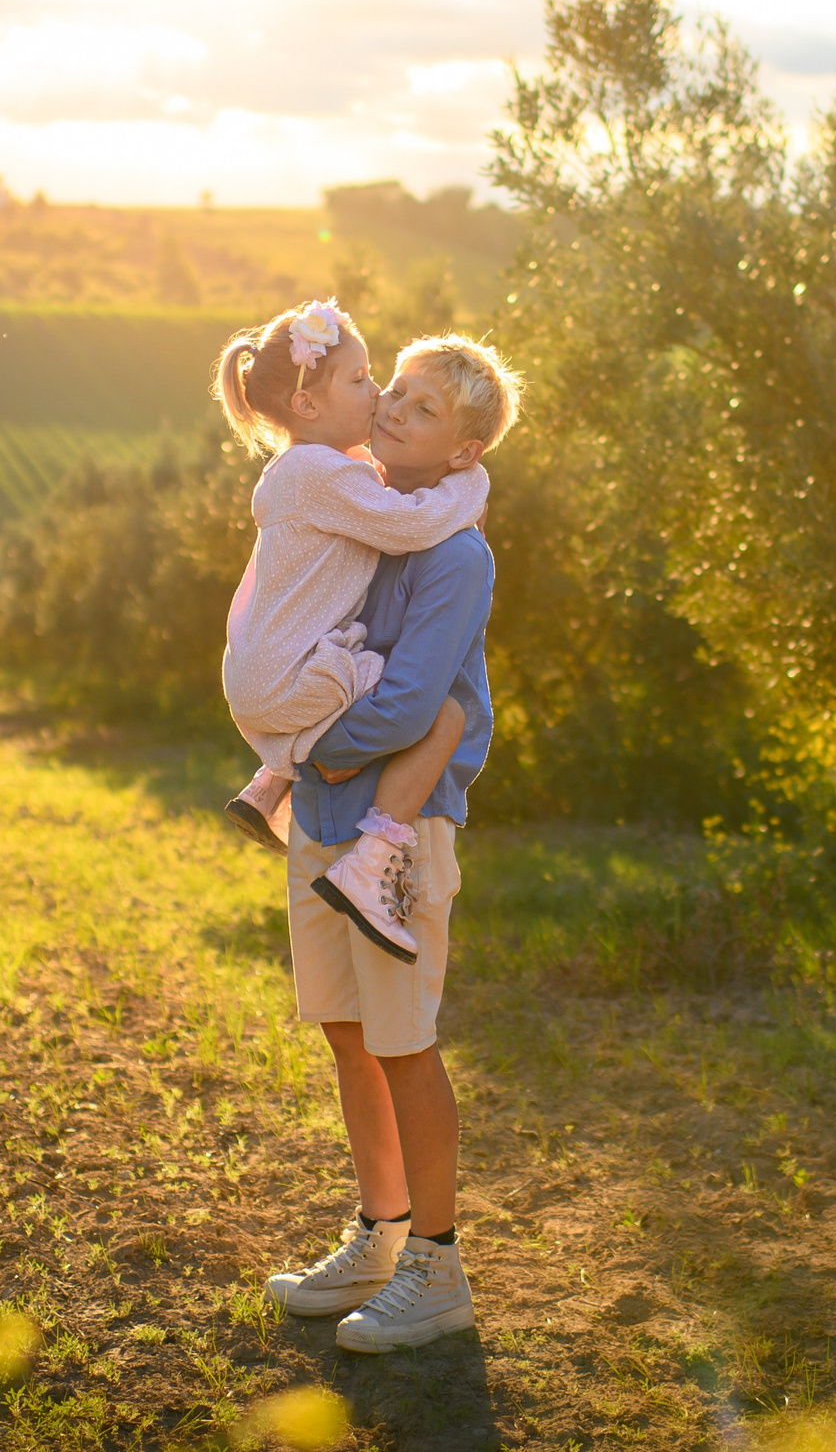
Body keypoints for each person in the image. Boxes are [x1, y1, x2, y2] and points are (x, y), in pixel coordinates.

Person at [260, 333, 520, 1354]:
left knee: (405, 1043)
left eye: (420, 408)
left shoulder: (457, 552)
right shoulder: (368, 514)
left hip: (395, 828)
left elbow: (416, 699)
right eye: (395, 392)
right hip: (322, 823)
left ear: (462, 455)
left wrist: (313, 745)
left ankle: (438, 1263)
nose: (394, 409)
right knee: (345, 1029)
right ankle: (378, 1233)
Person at [212, 300, 486, 960]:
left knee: (356, 665)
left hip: (262, 671)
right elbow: (412, 522)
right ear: (308, 406)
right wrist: (469, 484)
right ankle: (298, 782)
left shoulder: (309, 467)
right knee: (408, 695)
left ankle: (269, 778)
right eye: (364, 380)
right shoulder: (322, 472)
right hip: (284, 675)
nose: (378, 396)